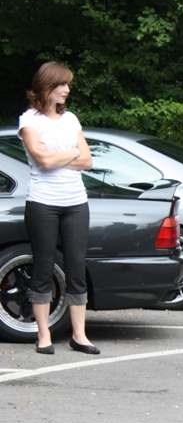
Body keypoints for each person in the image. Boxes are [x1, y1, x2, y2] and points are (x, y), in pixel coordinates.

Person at [18, 62, 97, 354]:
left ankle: (80, 335)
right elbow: (44, 161)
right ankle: (43, 335)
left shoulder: (70, 119)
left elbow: (87, 160)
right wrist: (72, 153)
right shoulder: (29, 120)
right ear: (46, 86)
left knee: (76, 268)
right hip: (43, 202)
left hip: (76, 202)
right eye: (61, 84)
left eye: (68, 85)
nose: (66, 90)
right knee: (43, 267)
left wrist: (64, 154)